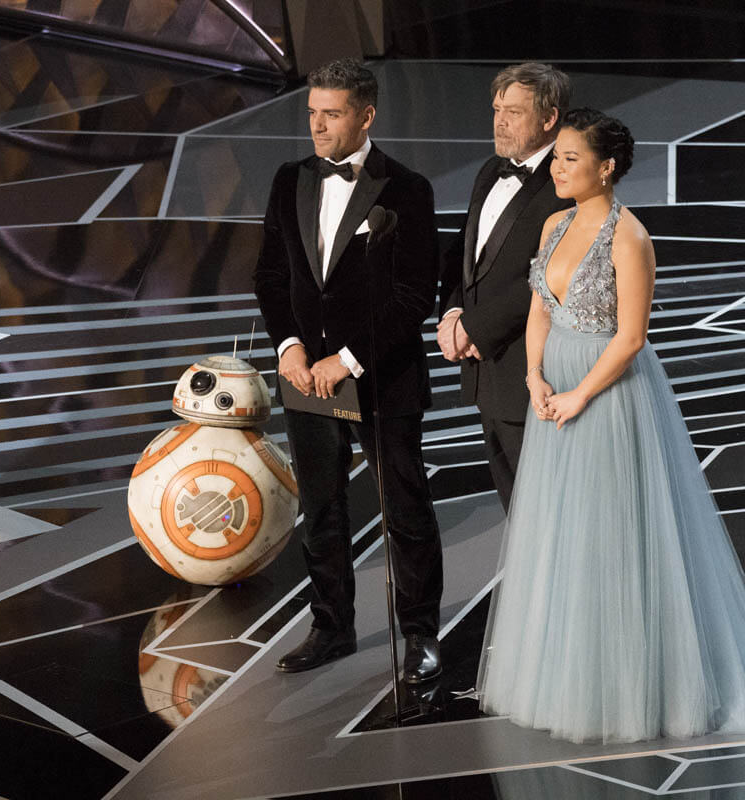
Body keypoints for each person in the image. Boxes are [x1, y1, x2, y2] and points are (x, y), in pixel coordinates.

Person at [475, 108, 745, 743]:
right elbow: (539, 311)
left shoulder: (629, 237)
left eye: (570, 159)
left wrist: (579, 396)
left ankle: (638, 687)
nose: (556, 168)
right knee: (565, 538)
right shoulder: (554, 224)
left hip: (609, 399)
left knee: (617, 537)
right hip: (553, 392)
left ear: (606, 168)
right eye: (556, 157)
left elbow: (631, 338)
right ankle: (572, 676)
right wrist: (534, 377)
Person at [254, 59, 443, 683]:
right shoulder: (289, 179)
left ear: (366, 116)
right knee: (321, 508)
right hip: (305, 375)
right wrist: (289, 347)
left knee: (404, 511)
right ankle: (331, 627)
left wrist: (349, 358)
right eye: (312, 113)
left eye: (331, 114)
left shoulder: (406, 188)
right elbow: (271, 274)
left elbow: (414, 296)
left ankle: (420, 636)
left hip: (381, 374)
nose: (317, 125)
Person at [437, 63, 573, 512]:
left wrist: (476, 327)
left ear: (549, 118)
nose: (500, 121)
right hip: (486, 374)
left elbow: (548, 277)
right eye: (497, 110)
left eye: (513, 112)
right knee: (515, 507)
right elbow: (466, 253)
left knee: (546, 509)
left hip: (534, 375)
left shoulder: (566, 181)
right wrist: (452, 313)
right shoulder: (488, 171)